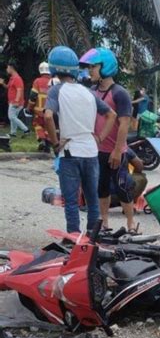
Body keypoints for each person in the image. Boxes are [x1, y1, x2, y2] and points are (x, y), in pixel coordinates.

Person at [44, 46, 116, 234]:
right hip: (91, 152)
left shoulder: (56, 91)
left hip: (70, 153)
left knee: (71, 202)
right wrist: (99, 137)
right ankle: (92, 240)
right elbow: (111, 115)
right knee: (92, 199)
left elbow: (48, 116)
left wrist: (55, 142)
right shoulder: (89, 93)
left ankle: (73, 241)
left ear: (54, 69)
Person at [80, 47, 137, 232]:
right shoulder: (92, 91)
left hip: (116, 151)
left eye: (93, 67)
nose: (90, 71)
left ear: (105, 67)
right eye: (89, 67)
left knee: (123, 188)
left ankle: (131, 223)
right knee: (101, 188)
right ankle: (104, 223)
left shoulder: (119, 93)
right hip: (97, 150)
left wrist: (117, 150)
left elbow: (124, 124)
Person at [0, 60, 30, 138]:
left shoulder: (17, 78)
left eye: (7, 68)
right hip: (12, 101)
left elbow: (19, 90)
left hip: (15, 102)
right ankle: (13, 133)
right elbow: (8, 87)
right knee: (13, 117)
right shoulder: (12, 78)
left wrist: (16, 101)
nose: (6, 69)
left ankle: (26, 130)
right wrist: (3, 83)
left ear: (11, 68)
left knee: (11, 117)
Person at [27, 62, 51, 152]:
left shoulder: (37, 81)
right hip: (50, 111)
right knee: (48, 127)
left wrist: (29, 107)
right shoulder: (53, 81)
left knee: (37, 125)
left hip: (39, 111)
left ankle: (42, 140)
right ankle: (48, 144)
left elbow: (33, 96)